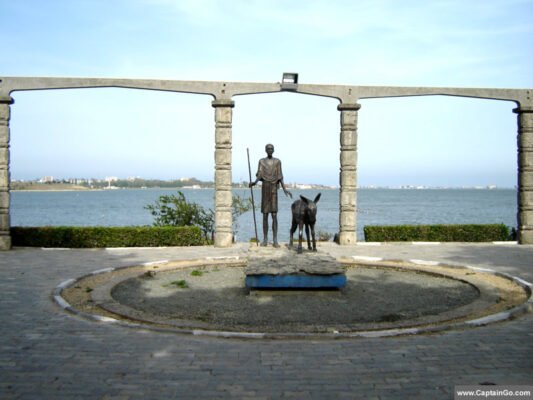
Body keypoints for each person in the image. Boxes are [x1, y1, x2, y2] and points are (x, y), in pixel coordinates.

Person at [249, 143, 292, 247]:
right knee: (265, 215)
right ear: (265, 150)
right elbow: (260, 174)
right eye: (268, 149)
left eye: (271, 149)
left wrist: (285, 189)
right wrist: (255, 182)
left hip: (273, 189)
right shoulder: (261, 161)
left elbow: (280, 176)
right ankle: (265, 239)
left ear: (273, 150)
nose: (270, 150)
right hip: (265, 188)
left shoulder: (277, 162)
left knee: (274, 215)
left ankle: (275, 240)